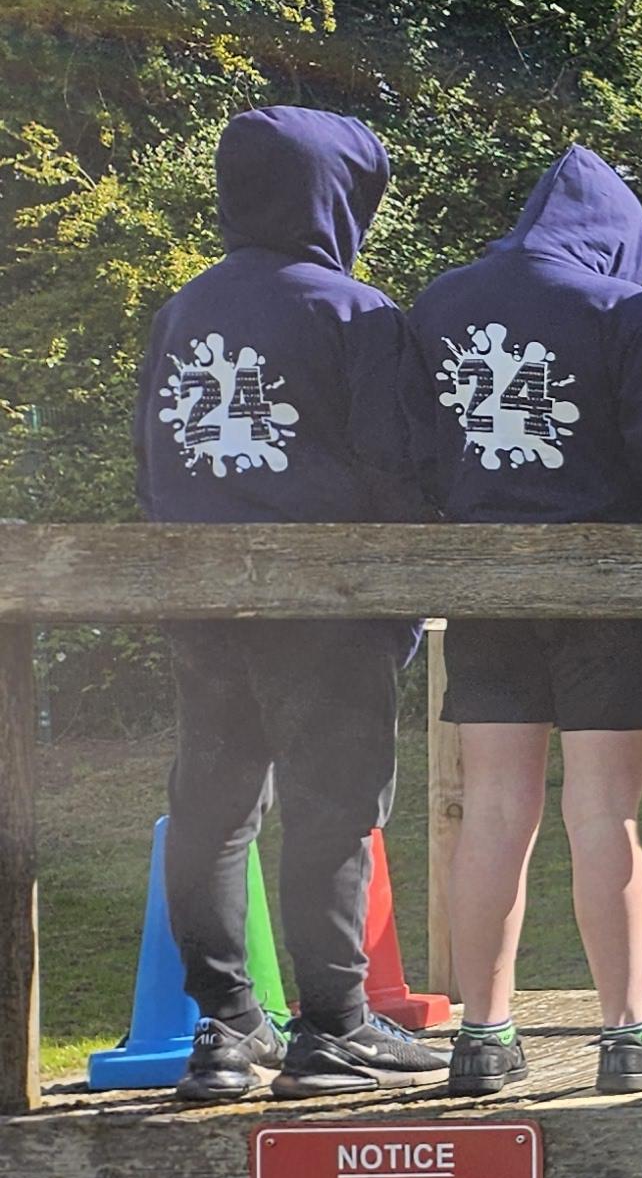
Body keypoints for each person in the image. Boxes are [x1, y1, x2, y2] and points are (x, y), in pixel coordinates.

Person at [143, 108, 446, 1104]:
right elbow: (398, 470)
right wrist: (403, 605)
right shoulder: (356, 313)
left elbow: (152, 458)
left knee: (213, 806)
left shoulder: (183, 309)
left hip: (199, 594)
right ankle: (335, 1028)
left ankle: (226, 1026)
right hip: (329, 605)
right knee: (333, 808)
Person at [405, 147, 642, 1098]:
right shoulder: (623, 310)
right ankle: (628, 1034)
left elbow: (418, 448)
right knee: (604, 809)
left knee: (493, 807)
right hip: (607, 586)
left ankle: (483, 1037)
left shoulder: (439, 303)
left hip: (484, 584)